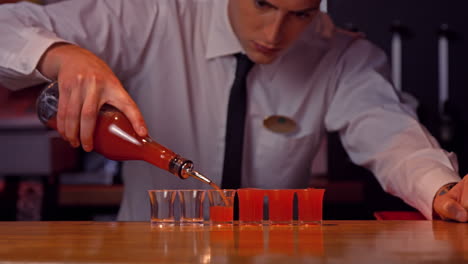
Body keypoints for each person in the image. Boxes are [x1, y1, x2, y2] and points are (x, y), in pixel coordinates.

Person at [0, 0, 466, 222]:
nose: (275, 30)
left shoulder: (338, 55)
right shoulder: (155, 16)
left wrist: (441, 189)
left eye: (300, 13)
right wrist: (63, 54)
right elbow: (7, 26)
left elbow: (389, 132)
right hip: (148, 252)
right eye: (262, 3)